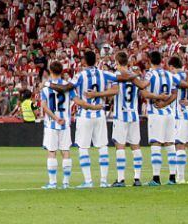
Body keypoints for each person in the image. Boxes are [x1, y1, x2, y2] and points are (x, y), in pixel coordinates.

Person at [71, 51, 118, 188]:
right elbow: (116, 87)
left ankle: (88, 181)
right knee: (102, 146)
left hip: (85, 114)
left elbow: (69, 87)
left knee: (83, 147)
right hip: (100, 113)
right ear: (96, 61)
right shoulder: (103, 73)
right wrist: (100, 94)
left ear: (84, 62)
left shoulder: (80, 76)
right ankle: (103, 181)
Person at [139, 51, 176, 186]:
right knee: (169, 144)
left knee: (156, 144)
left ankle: (156, 178)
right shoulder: (169, 74)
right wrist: (165, 103)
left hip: (156, 113)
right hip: (169, 113)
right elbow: (174, 93)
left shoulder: (150, 74)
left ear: (149, 60)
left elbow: (144, 91)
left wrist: (159, 98)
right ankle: (172, 177)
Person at [109, 52, 144, 187]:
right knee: (135, 146)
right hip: (133, 115)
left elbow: (114, 91)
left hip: (120, 116)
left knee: (120, 146)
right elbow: (141, 88)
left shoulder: (116, 76)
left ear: (117, 61)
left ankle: (121, 179)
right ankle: (137, 178)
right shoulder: (134, 76)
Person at [39, 61, 74, 189]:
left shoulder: (46, 87)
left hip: (52, 124)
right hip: (65, 123)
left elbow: (44, 106)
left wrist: (55, 118)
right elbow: (74, 100)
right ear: (62, 71)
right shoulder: (68, 85)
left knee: (51, 152)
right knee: (66, 151)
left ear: (50, 71)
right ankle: (66, 182)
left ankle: (53, 183)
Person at [169, 56, 188, 184]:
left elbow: (172, 95)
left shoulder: (174, 77)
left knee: (179, 145)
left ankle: (180, 178)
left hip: (180, 115)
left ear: (172, 67)